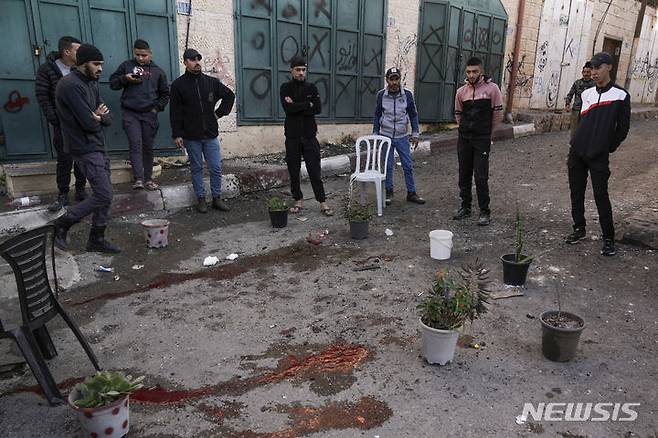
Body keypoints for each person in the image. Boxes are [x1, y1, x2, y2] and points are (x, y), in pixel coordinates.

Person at [53, 44, 120, 253]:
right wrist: (97, 117)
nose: (100, 68)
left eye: (101, 64)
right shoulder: (70, 85)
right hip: (83, 147)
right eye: (96, 64)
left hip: (98, 145)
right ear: (83, 64)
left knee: (105, 194)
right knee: (104, 194)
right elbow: (89, 123)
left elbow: (108, 119)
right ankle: (63, 223)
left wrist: (98, 116)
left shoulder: (91, 83)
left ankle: (96, 238)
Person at [566, 52, 630, 256]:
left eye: (598, 68)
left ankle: (608, 238)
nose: (593, 73)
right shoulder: (587, 94)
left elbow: (623, 129)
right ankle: (579, 229)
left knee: (601, 195)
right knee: (576, 193)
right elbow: (582, 122)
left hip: (599, 155)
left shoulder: (621, 95)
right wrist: (576, 143)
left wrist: (607, 146)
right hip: (577, 152)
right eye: (591, 69)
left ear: (609, 67)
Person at [170, 48, 235, 213]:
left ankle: (216, 198)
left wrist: (219, 113)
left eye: (198, 58)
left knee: (215, 167)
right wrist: (177, 133)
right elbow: (175, 112)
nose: (196, 62)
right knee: (197, 168)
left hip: (210, 134)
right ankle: (200, 199)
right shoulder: (178, 85)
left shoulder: (211, 82)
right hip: (191, 136)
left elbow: (229, 95)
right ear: (184, 62)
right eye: (192, 59)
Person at [35, 36, 88, 212]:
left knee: (82, 159)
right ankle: (63, 194)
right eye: (77, 50)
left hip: (82, 123)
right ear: (67, 51)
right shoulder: (48, 70)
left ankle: (80, 190)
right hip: (62, 124)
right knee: (65, 160)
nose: (81, 54)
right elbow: (43, 96)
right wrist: (54, 119)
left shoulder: (80, 69)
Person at [109, 39, 169, 190]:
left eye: (144, 55)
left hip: (149, 114)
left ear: (150, 53)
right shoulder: (126, 66)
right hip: (130, 113)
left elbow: (165, 94)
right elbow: (113, 83)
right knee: (135, 145)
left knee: (147, 147)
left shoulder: (158, 71)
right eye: (137, 55)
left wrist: (157, 108)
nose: (140, 58)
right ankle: (138, 179)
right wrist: (125, 79)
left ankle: (148, 179)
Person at [279, 56, 334, 216]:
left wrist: (296, 105)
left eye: (303, 70)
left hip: (310, 137)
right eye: (298, 70)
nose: (301, 73)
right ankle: (298, 200)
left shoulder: (312, 88)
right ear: (291, 70)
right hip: (292, 137)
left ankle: (322, 202)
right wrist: (306, 104)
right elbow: (287, 109)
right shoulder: (285, 88)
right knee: (293, 170)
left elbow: (317, 109)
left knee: (314, 170)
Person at [453, 57, 503, 226]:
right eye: (468, 71)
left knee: (481, 176)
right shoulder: (461, 92)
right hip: (464, 139)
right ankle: (465, 207)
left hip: (482, 139)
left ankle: (484, 211)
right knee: (463, 174)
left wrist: (489, 134)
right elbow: (458, 114)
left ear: (480, 71)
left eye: (475, 71)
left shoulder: (492, 89)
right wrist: (464, 129)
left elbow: (497, 113)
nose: (471, 74)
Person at [373, 67, 425, 206]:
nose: (394, 82)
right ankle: (389, 192)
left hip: (402, 136)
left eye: (397, 79)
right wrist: (375, 133)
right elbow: (377, 114)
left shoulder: (407, 95)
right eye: (392, 79)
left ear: (400, 79)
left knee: (407, 165)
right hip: (386, 136)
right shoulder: (381, 95)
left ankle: (411, 193)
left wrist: (415, 133)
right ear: (387, 80)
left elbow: (413, 114)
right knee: (388, 166)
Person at [565, 62, 595, 141]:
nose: (586, 74)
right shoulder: (577, 83)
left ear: (591, 73)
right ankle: (573, 150)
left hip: (588, 112)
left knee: (585, 132)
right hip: (576, 111)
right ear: (582, 73)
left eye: (588, 72)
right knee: (574, 132)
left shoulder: (594, 85)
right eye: (584, 72)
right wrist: (567, 103)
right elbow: (570, 94)